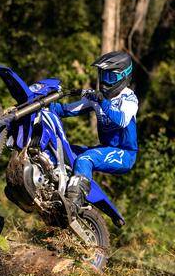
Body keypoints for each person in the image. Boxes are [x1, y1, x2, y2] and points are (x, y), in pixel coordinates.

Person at [48, 51, 138, 213]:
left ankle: (73, 205)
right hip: (104, 148)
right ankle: (50, 191)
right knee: (61, 151)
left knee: (85, 159)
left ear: (123, 76)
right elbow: (66, 110)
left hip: (124, 154)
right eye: (102, 75)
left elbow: (121, 120)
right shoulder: (97, 98)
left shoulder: (129, 99)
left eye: (109, 77)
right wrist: (43, 104)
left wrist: (102, 101)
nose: (104, 82)